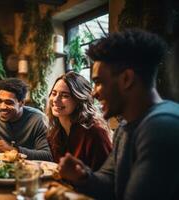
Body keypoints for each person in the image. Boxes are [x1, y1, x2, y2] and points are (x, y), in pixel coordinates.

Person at [58, 29, 179, 200]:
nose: (94, 93)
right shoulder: (126, 126)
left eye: (99, 82)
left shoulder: (161, 127)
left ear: (126, 79)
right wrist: (83, 176)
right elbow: (109, 182)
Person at [46, 72, 112, 170]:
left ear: (79, 100)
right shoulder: (55, 132)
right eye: (54, 93)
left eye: (65, 95)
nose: (55, 99)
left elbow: (106, 177)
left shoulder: (94, 133)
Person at [0, 78, 52, 161]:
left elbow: (47, 156)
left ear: (22, 103)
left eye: (9, 102)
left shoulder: (38, 120)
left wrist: (14, 150)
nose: (2, 107)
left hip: (32, 170)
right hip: (2, 170)